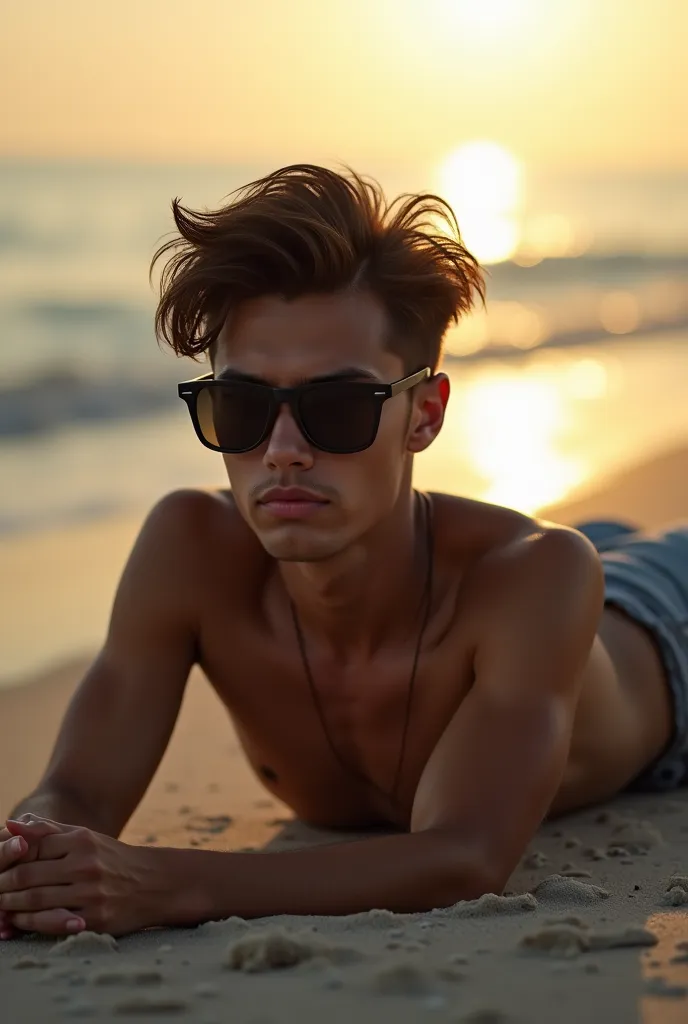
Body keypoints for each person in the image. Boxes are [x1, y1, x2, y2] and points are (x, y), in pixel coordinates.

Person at [1, 165, 687, 939]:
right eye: (244, 407)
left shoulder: (539, 576)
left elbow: (462, 856)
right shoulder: (189, 551)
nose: (284, 451)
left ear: (423, 416)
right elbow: (76, 794)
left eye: (336, 407)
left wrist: (163, 882)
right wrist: (31, 853)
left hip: (663, 622)